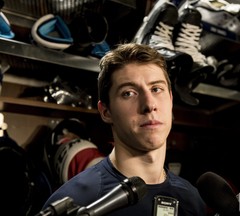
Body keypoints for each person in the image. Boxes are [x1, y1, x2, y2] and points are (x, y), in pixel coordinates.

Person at [42, 43, 206, 215]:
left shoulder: (192, 199)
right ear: (106, 111)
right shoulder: (76, 202)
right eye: (129, 93)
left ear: (171, 100)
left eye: (156, 89)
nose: (150, 104)